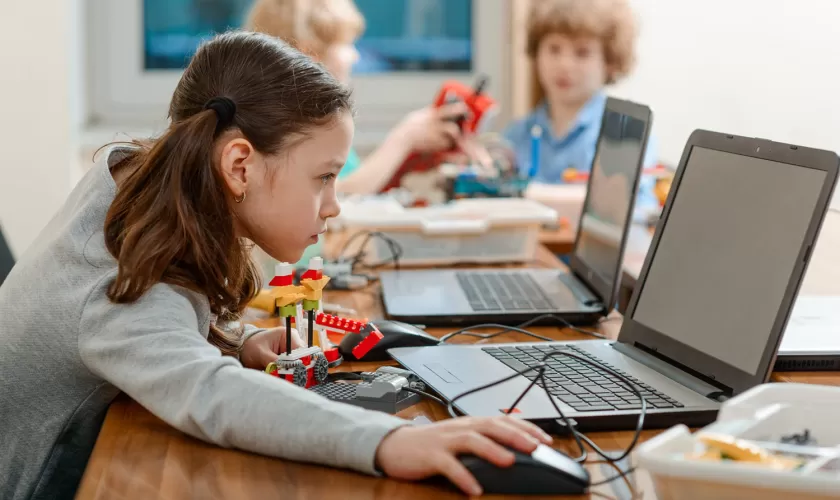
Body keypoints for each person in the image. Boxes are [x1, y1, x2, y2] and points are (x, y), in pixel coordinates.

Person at [0, 32, 551, 500]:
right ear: (239, 163)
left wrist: (234, 340)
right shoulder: (121, 276)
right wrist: (389, 440)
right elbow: (212, 395)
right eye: (323, 177)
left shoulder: (132, 181)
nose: (334, 204)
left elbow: (147, 331)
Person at [246, 0, 470, 195]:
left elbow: (358, 184)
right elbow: (334, 196)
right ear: (309, 55)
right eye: (345, 44)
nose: (355, 56)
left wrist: (408, 159)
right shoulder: (287, 128)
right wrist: (403, 139)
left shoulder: (321, 119)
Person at [504, 0, 659, 217]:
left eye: (582, 53)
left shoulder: (623, 134)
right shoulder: (516, 134)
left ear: (610, 62)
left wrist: (524, 194)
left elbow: (629, 209)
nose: (564, 64)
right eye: (554, 49)